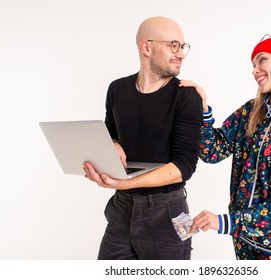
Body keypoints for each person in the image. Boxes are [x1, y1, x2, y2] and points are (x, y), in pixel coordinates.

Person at [180, 33, 271, 260]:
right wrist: (202, 111)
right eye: (253, 64)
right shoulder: (250, 113)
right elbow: (212, 151)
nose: (254, 69)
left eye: (262, 60)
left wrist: (225, 222)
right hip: (243, 241)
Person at [83, 16, 203, 260]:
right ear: (146, 47)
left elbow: (185, 166)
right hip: (121, 209)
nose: (181, 53)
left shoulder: (186, 96)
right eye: (173, 45)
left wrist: (125, 183)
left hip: (169, 211)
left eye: (182, 46)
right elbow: (111, 134)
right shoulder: (117, 89)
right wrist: (113, 147)